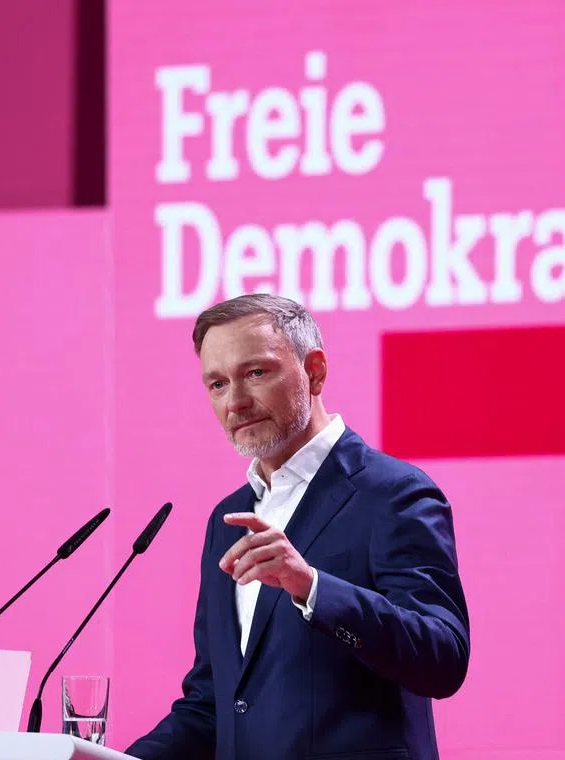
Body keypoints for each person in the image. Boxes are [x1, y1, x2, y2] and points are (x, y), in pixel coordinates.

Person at [126, 294, 470, 760]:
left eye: (256, 373)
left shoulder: (394, 494)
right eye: (217, 384)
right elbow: (213, 705)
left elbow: (443, 659)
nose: (237, 402)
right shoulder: (228, 520)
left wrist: (312, 587)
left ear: (315, 371)